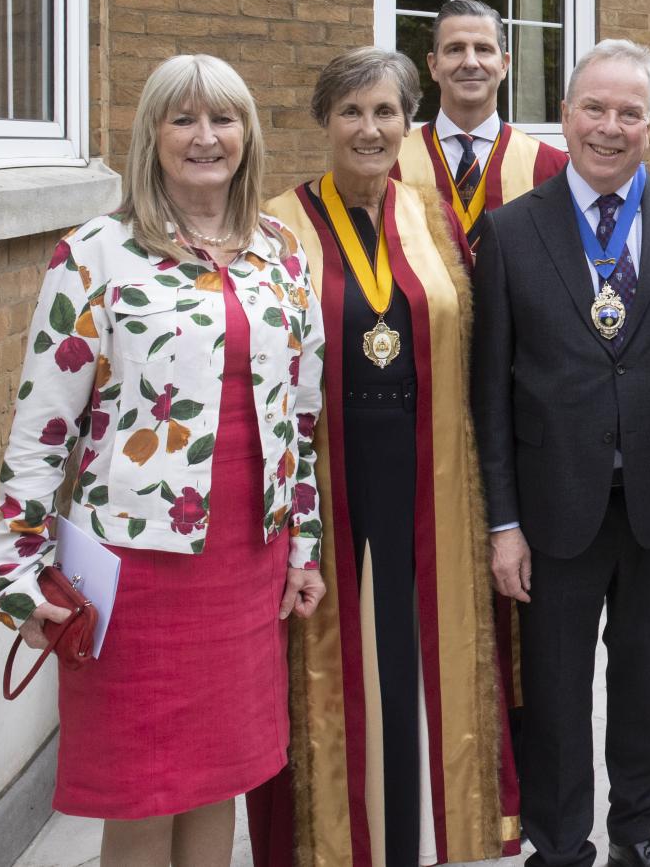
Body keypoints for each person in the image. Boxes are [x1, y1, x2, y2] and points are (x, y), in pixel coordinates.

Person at [0, 54, 325, 866]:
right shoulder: (94, 253)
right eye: (183, 119)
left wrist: (302, 546)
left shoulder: (281, 254)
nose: (207, 137)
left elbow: (298, 420)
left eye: (223, 119)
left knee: (218, 778)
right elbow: (41, 429)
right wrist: (17, 567)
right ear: (152, 135)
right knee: (140, 788)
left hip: (245, 558)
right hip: (136, 567)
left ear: (248, 133)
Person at [253, 47, 518, 866]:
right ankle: (336, 844)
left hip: (427, 469)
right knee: (334, 660)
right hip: (326, 475)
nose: (370, 129)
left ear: (410, 123)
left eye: (386, 113)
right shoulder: (275, 224)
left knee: (411, 660)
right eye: (351, 112)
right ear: (323, 120)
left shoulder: (430, 215)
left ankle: (414, 840)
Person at [473, 39, 650, 867]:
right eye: (594, 108)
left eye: (628, 112)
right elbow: (492, 392)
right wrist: (503, 522)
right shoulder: (510, 231)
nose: (609, 128)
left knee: (645, 677)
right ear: (567, 114)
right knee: (554, 685)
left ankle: (638, 829)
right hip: (553, 504)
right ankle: (558, 840)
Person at [393, 0, 569, 245]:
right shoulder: (392, 163)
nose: (470, 62)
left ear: (504, 64)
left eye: (483, 49)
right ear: (433, 66)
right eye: (455, 49)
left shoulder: (551, 167)